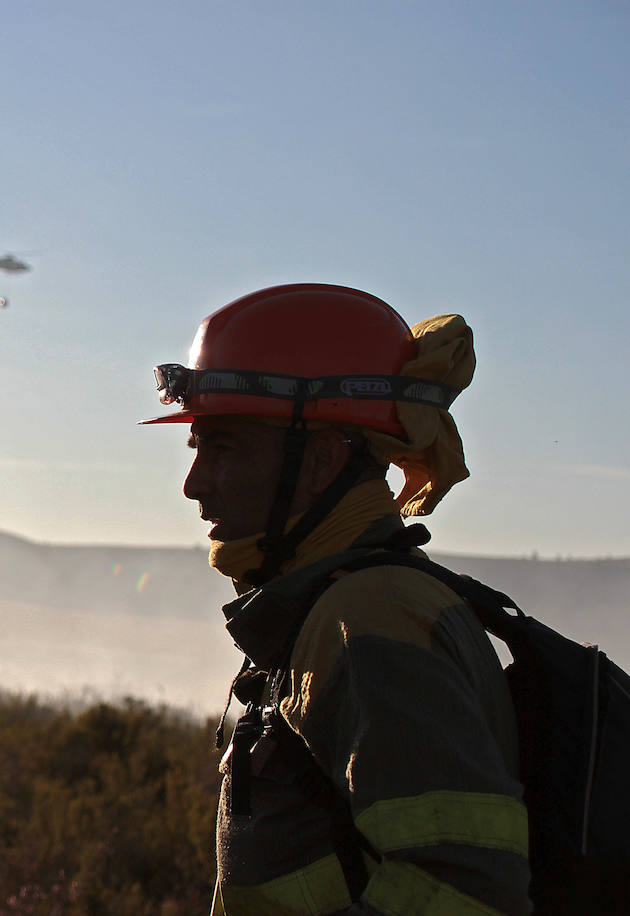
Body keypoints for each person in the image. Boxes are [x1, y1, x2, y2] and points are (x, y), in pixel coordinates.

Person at [144, 284, 530, 914]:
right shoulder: (338, 604)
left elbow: (461, 887)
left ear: (322, 458)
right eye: (196, 449)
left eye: (223, 447)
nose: (194, 485)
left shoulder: (370, 618)